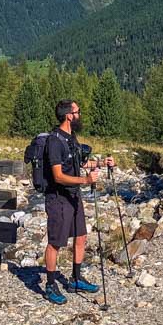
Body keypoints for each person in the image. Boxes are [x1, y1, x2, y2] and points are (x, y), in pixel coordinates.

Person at [42, 98, 114, 304]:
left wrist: (101, 162)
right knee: (56, 242)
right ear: (69, 115)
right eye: (77, 112)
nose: (79, 115)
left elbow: (81, 162)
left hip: (74, 196)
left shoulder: (71, 137)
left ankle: (76, 277)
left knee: (81, 236)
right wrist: (86, 180)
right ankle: (50, 284)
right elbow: (57, 176)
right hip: (58, 197)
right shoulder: (54, 141)